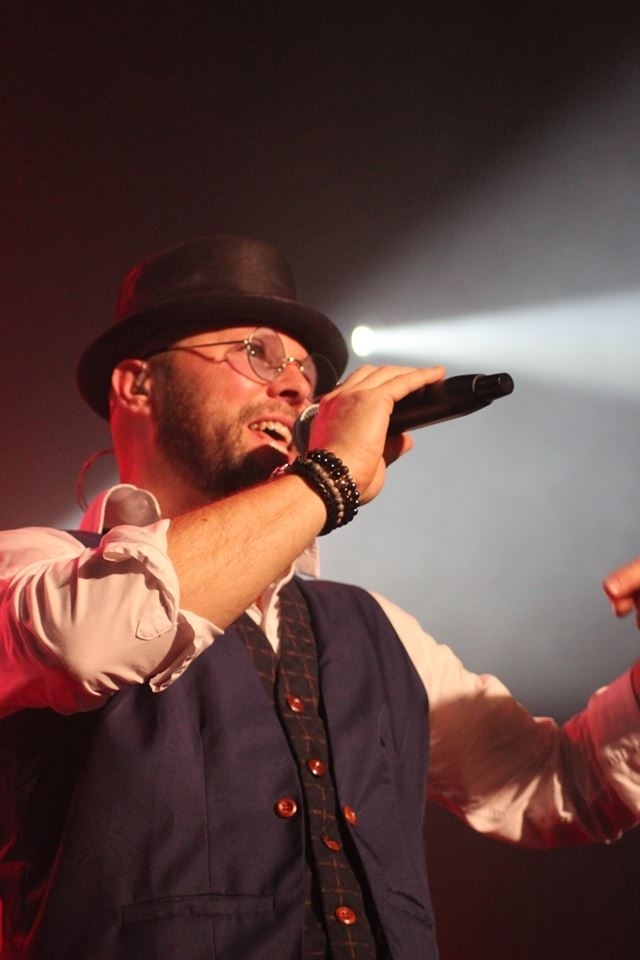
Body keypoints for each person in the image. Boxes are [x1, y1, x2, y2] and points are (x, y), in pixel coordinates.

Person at [1, 235, 639, 960]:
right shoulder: (32, 566)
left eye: (305, 372)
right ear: (137, 384)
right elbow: (94, 638)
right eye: (259, 354)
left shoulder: (372, 629)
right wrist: (331, 477)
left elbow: (559, 783)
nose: (296, 388)